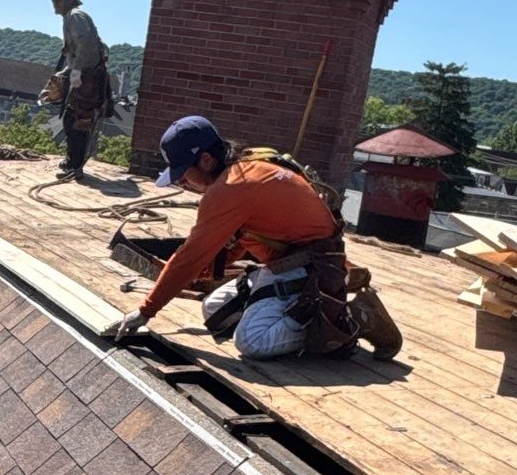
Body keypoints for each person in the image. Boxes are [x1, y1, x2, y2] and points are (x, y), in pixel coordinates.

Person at [105, 114, 363, 358]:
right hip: (293, 261)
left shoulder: (229, 190)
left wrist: (145, 311)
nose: (182, 183)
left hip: (315, 268)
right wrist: (205, 270)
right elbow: (246, 238)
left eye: (183, 173)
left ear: (206, 160)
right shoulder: (248, 167)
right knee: (215, 309)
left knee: (252, 341)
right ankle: (280, 308)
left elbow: (190, 257)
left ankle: (344, 320)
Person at [50, 0, 112, 182]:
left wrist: (77, 71)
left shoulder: (75, 16)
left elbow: (85, 43)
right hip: (87, 75)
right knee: (75, 118)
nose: (54, 3)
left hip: (88, 78)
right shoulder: (73, 17)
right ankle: (73, 162)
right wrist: (66, 72)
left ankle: (74, 165)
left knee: (75, 119)